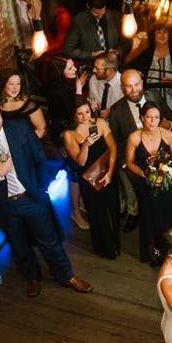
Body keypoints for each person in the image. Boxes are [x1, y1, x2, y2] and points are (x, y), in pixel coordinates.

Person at [0, 96, 92, 297]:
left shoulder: (19, 127)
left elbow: (39, 158)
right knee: (19, 246)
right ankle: (32, 278)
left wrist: (40, 188)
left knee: (49, 240)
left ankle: (67, 275)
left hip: (31, 197)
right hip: (4, 205)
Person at [62, 99, 120, 259]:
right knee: (97, 214)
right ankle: (104, 248)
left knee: (112, 210)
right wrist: (86, 145)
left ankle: (116, 244)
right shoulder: (69, 134)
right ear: (74, 116)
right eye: (79, 114)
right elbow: (80, 161)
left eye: (87, 112)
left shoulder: (100, 123)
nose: (85, 116)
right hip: (89, 180)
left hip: (107, 173)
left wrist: (110, 172)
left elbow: (113, 147)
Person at [126, 103, 172, 264]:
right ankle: (154, 254)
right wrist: (144, 172)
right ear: (142, 118)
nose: (152, 121)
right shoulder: (134, 137)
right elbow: (129, 162)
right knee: (150, 219)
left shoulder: (168, 135)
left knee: (170, 216)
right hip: (147, 186)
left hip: (167, 185)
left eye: (156, 117)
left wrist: (166, 166)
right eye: (149, 117)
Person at [109, 69, 162, 230]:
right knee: (130, 186)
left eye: (137, 84)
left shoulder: (155, 96)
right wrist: (124, 163)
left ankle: (158, 211)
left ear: (142, 82)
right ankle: (134, 213)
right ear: (122, 88)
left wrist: (168, 125)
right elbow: (117, 141)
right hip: (131, 158)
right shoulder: (116, 111)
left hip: (157, 154)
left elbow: (169, 117)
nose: (134, 90)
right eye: (129, 86)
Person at [43, 55, 91, 230]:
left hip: (70, 130)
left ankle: (81, 202)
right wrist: (79, 89)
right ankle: (75, 212)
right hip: (64, 135)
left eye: (73, 67)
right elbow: (74, 112)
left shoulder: (65, 85)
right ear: (59, 72)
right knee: (74, 174)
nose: (75, 70)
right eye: (70, 68)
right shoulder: (57, 91)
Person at [127, 20, 172, 124]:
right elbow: (128, 67)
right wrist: (136, 72)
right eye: (158, 32)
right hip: (153, 101)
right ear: (153, 35)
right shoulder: (147, 52)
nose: (162, 35)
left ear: (170, 34)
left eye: (165, 32)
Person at [63, 0, 129, 62]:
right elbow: (68, 50)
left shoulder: (115, 16)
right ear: (88, 6)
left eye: (102, 13)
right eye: (96, 14)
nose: (100, 17)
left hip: (114, 65)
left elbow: (127, 42)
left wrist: (117, 52)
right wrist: (91, 54)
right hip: (91, 67)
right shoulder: (79, 21)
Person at [0, 68, 47, 139]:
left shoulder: (28, 105)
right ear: (3, 84)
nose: (15, 88)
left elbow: (42, 130)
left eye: (18, 84)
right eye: (11, 84)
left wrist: (25, 143)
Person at [87, 52, 122, 118]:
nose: (94, 70)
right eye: (94, 67)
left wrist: (112, 112)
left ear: (109, 71)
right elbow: (91, 100)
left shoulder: (123, 84)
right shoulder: (93, 80)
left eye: (97, 68)